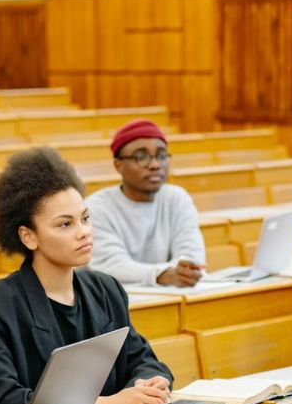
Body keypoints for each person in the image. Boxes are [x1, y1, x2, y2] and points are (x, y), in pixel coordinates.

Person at [0, 147, 174, 404]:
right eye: (64, 224)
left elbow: (142, 359)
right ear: (29, 236)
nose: (83, 231)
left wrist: (149, 385)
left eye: (85, 218)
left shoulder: (106, 289)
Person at [85, 119, 206, 287]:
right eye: (141, 157)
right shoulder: (96, 208)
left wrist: (180, 273)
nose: (155, 165)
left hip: (173, 295)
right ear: (118, 165)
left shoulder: (177, 198)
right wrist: (161, 274)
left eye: (162, 155)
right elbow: (111, 264)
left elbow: (192, 256)